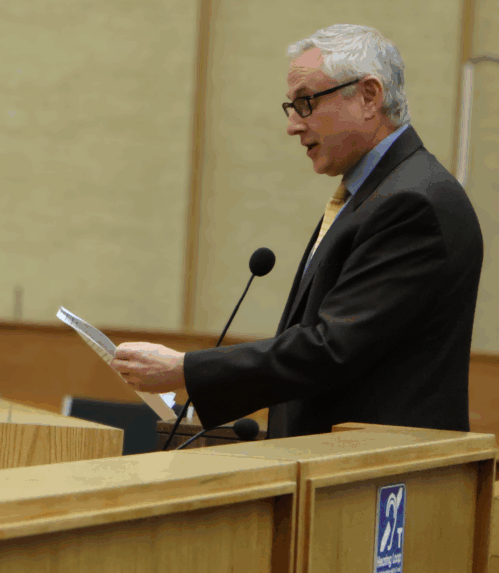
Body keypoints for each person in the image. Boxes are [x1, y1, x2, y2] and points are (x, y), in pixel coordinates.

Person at [111, 24, 483, 439]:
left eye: (306, 103)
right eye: (290, 106)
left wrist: (185, 370)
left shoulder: (413, 202)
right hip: (336, 468)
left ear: (368, 96)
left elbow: (332, 348)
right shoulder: (374, 192)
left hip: (378, 479)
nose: (292, 125)